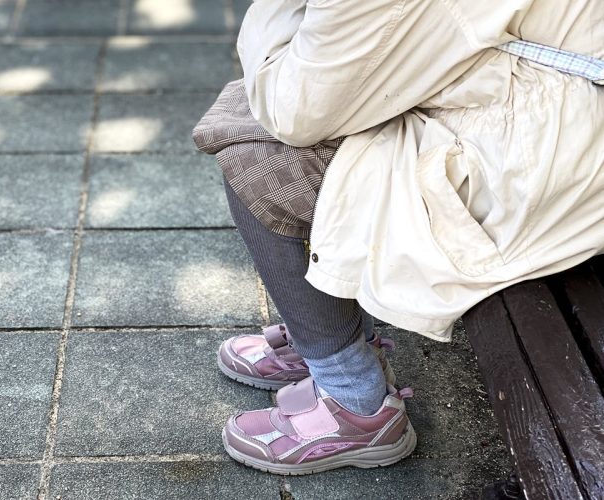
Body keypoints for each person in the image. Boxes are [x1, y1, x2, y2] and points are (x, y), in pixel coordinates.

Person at [194, 0, 604, 475]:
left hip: (541, 160)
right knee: (258, 105)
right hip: (536, 111)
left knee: (260, 157)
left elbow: (295, 113)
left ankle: (356, 404)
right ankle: (333, 336)